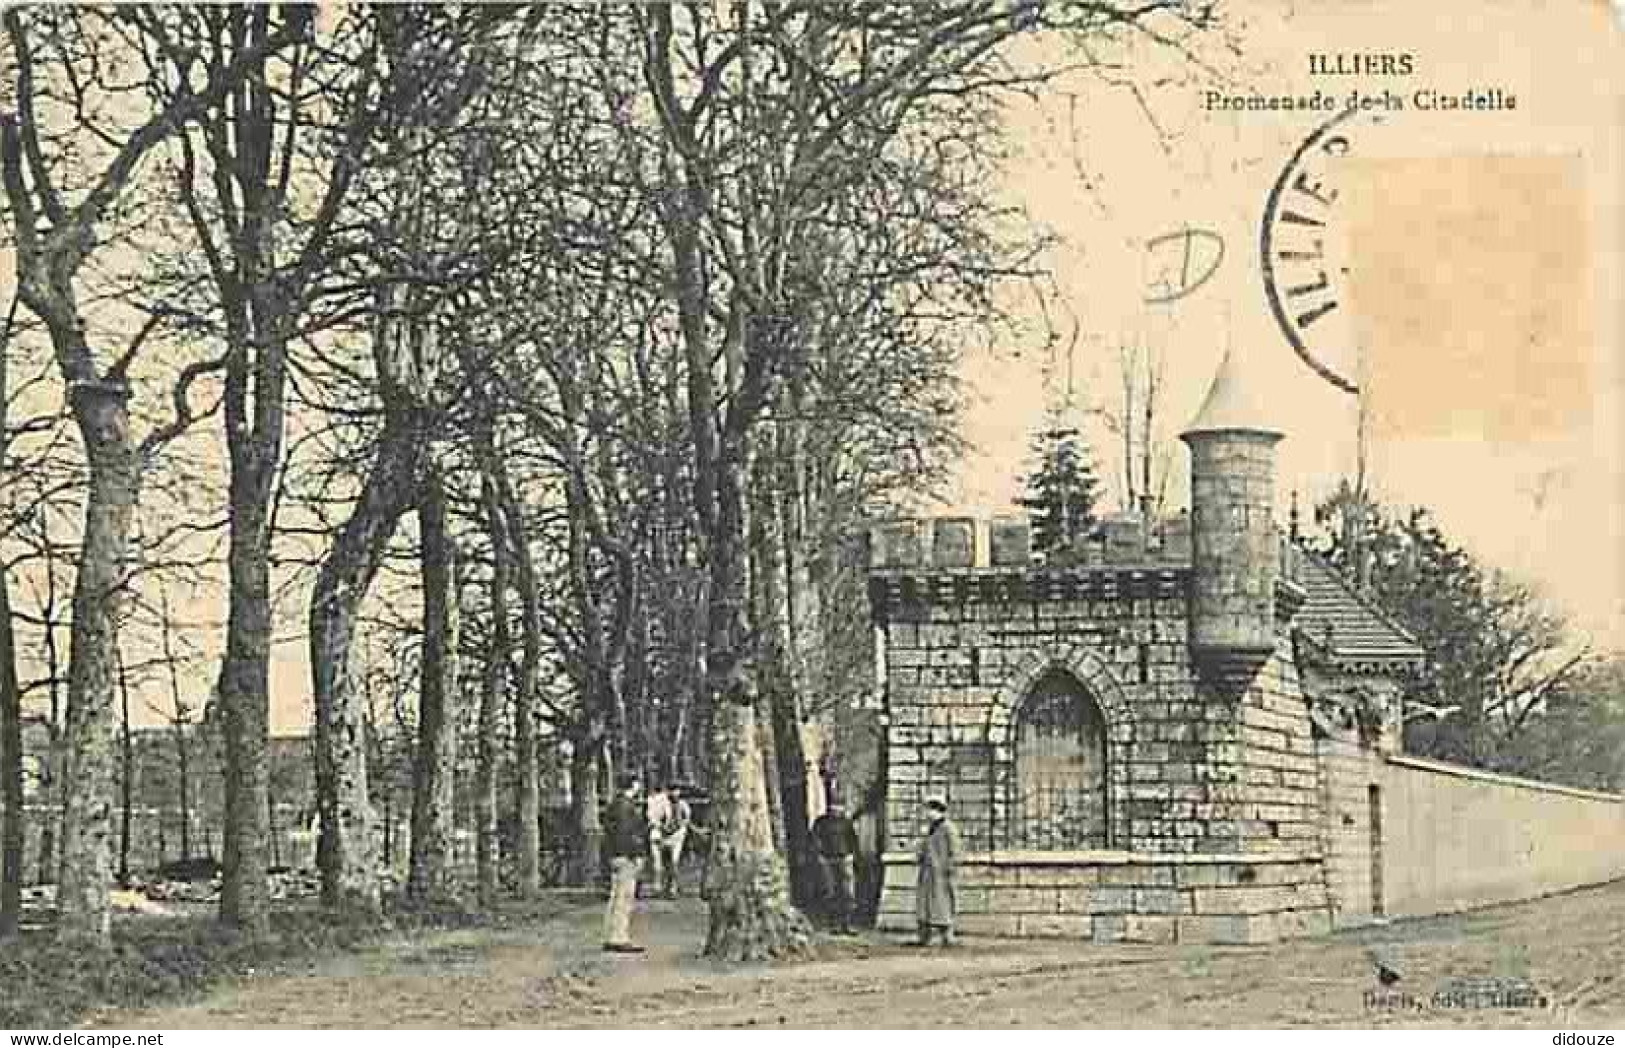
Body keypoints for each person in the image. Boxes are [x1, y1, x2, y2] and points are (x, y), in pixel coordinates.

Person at [602, 775, 647, 953]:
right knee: (624, 896)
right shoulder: (625, 806)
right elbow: (626, 833)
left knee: (617, 896)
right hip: (625, 855)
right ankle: (619, 937)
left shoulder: (616, 804)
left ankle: (612, 935)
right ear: (633, 785)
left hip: (617, 854)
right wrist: (634, 854)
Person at [913, 796, 959, 947]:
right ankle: (924, 936)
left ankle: (947, 935)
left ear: (937, 810)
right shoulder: (929, 829)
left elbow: (954, 850)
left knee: (942, 904)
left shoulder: (948, 828)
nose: (927, 813)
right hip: (927, 873)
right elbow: (922, 849)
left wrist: (950, 867)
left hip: (941, 873)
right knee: (924, 904)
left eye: (929, 809)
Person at [812, 800, 859, 934]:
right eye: (834, 806)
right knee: (830, 892)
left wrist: (851, 855)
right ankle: (834, 924)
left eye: (839, 806)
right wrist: (819, 855)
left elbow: (853, 840)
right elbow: (815, 839)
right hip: (828, 859)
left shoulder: (846, 823)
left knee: (848, 893)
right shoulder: (821, 822)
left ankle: (847, 924)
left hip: (844, 859)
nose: (836, 809)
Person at [656, 784, 692, 899]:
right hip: (665, 835)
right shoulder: (663, 804)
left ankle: (674, 888)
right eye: (672, 791)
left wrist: (681, 825)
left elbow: (687, 818)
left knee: (674, 861)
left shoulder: (682, 804)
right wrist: (662, 827)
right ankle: (667, 886)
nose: (675, 793)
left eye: (677, 791)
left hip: (678, 835)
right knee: (665, 863)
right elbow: (657, 817)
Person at [643, 783, 673, 898]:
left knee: (657, 860)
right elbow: (668, 815)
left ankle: (658, 886)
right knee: (667, 860)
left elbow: (649, 815)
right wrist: (665, 825)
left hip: (654, 830)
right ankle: (667, 886)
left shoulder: (650, 799)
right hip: (664, 831)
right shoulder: (664, 799)